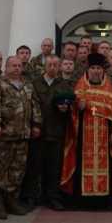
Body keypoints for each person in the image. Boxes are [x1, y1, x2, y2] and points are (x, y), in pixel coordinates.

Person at [61, 53, 112, 208]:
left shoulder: (109, 88)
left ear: (103, 70)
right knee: (81, 163)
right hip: (84, 134)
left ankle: (103, 199)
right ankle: (83, 198)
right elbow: (72, 111)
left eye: (98, 68)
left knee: (106, 164)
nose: (96, 71)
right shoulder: (80, 87)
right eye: (93, 68)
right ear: (88, 70)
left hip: (104, 135)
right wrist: (78, 107)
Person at [0, 56, 42, 219]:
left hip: (23, 133)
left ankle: (11, 199)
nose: (17, 68)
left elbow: (35, 105)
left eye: (19, 66)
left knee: (17, 169)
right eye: (13, 65)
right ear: (6, 67)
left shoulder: (27, 84)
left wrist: (36, 124)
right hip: (5, 134)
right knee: (0, 168)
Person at [23, 55, 72, 211]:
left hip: (56, 132)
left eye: (55, 65)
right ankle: (31, 197)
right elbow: (29, 106)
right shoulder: (34, 83)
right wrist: (34, 125)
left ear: (59, 67)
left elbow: (71, 105)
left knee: (54, 168)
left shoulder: (64, 85)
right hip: (38, 132)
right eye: (50, 64)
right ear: (44, 66)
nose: (52, 68)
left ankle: (53, 197)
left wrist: (66, 108)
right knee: (34, 167)